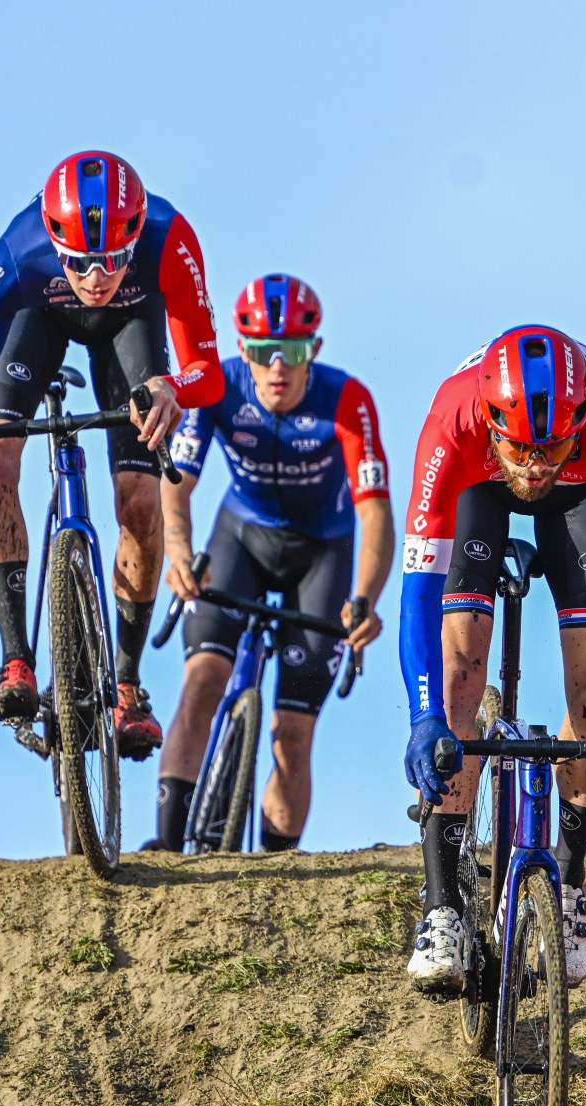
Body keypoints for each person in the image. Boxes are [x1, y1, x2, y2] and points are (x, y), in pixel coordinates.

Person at [400, 327, 586, 994]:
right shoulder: (454, 420)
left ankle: (567, 879)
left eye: (553, 445)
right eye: (523, 447)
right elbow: (417, 590)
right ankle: (443, 906)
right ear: (492, 423)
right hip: (477, 485)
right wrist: (425, 718)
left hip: (584, 492)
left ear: (581, 421)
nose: (535, 464)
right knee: (457, 683)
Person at [0, 151, 224, 759]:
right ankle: (16, 660)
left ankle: (127, 684)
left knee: (140, 502)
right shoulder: (20, 248)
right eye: (82, 262)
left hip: (131, 328)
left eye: (116, 258)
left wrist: (174, 387)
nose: (98, 277)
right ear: (55, 241)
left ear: (136, 234)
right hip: (37, 322)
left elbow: (208, 373)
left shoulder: (171, 238)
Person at [152, 275, 393, 851]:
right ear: (243, 352)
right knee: (202, 681)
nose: (278, 367)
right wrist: (179, 552)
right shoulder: (218, 389)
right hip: (242, 540)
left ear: (315, 349)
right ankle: (163, 844)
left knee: (292, 731)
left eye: (293, 351)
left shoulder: (347, 399)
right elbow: (176, 484)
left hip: (322, 555)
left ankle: (277, 872)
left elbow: (376, 513)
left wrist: (365, 600)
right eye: (263, 352)